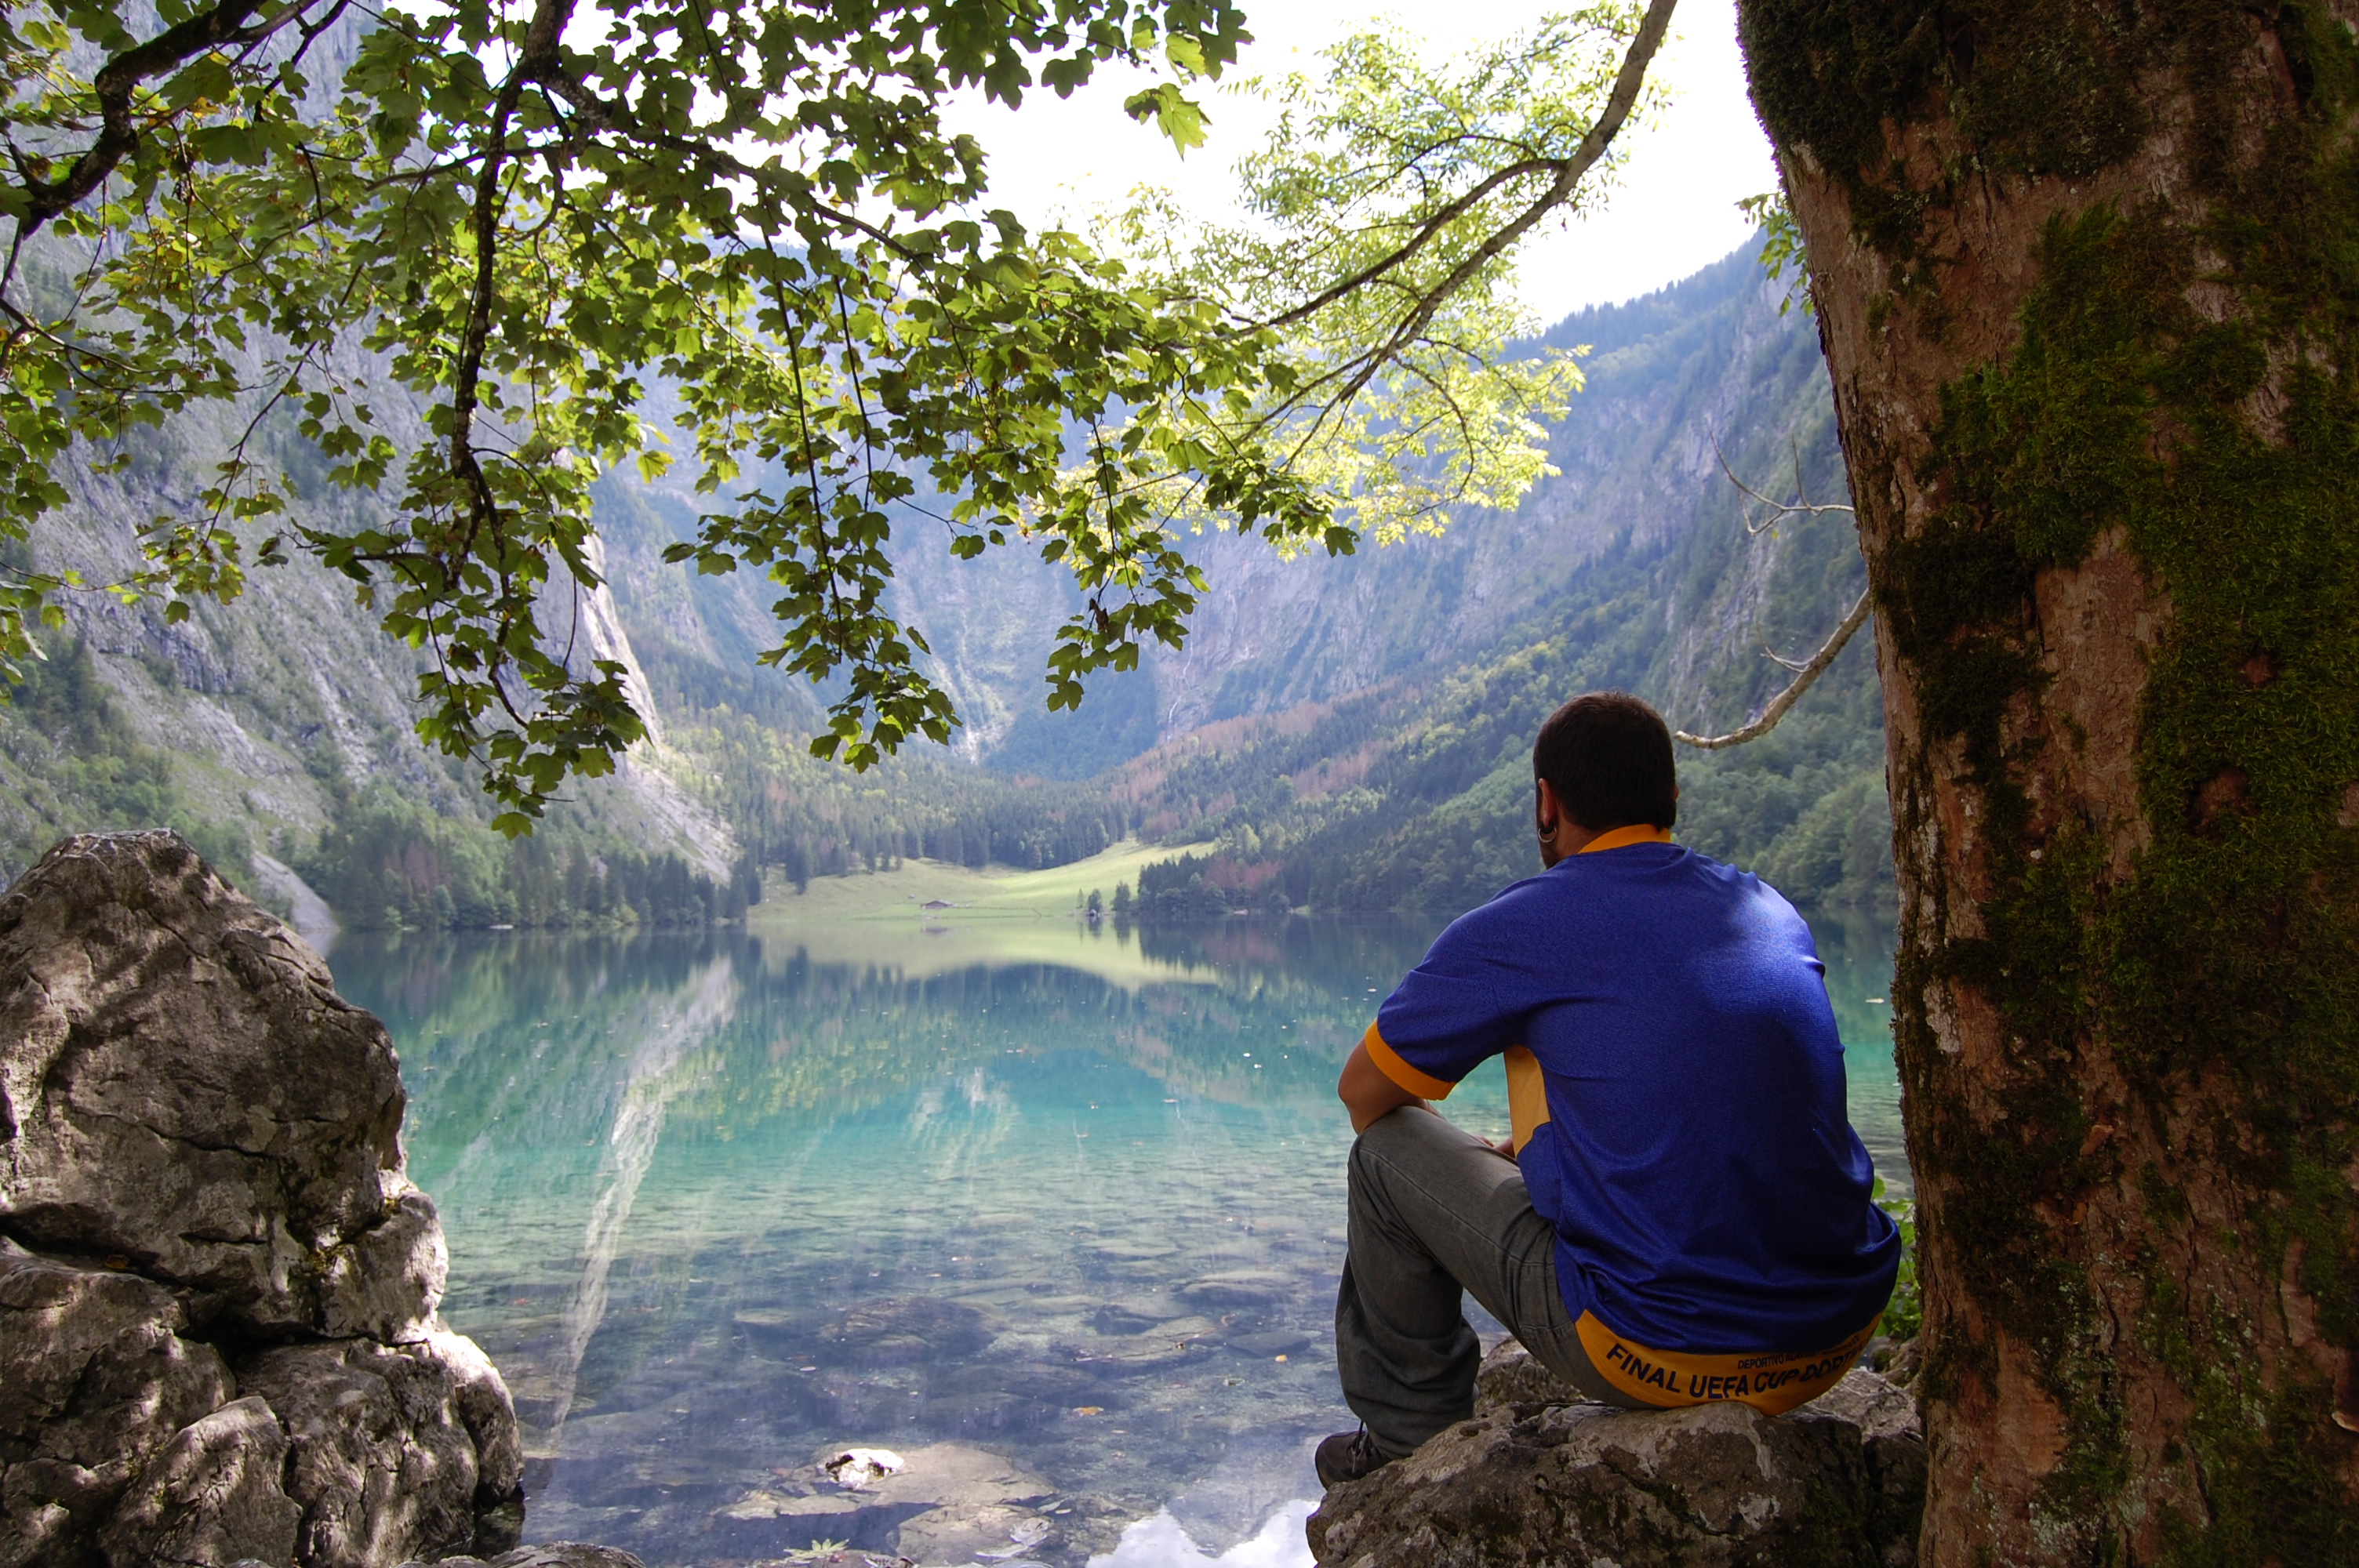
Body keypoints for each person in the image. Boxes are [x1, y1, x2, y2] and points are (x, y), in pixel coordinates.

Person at [1315, 691, 1900, 1487]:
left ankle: (1404, 1450)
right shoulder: (1763, 906)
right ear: (1671, 797)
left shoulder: (1524, 924)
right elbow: (1710, 1093)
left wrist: (1467, 1168)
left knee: (1384, 1157)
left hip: (1653, 1348)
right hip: (1835, 1335)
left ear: (1545, 803)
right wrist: (1534, 1151)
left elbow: (1363, 1094)